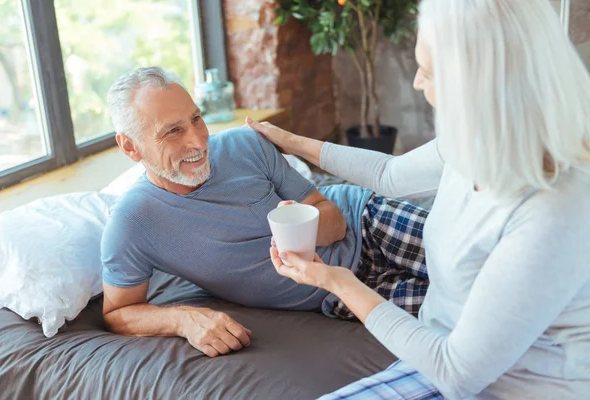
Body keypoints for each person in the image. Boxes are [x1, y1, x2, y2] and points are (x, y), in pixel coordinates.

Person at [247, 0, 590, 398]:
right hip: (436, 357)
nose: (416, 84)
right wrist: (291, 142)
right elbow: (387, 175)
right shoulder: (474, 144)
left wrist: (337, 282)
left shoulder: (555, 211)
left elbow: (457, 374)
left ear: (473, 87)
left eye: (426, 72)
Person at [100, 66, 432, 359]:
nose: (199, 141)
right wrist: (184, 319)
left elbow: (333, 217)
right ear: (130, 146)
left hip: (368, 222)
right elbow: (118, 311)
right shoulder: (132, 222)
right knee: (462, 315)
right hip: (335, 293)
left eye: (196, 119)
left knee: (478, 263)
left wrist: (303, 226)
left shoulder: (245, 145)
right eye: (173, 131)